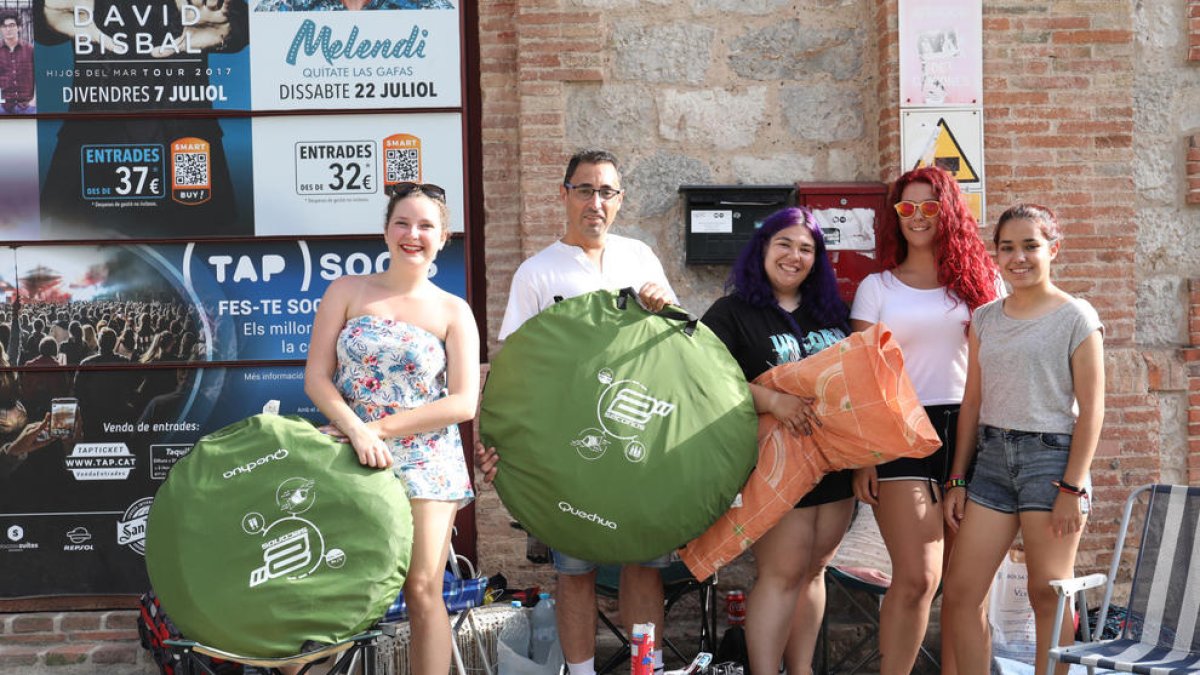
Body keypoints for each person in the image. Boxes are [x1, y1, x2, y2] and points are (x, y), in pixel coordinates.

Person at [476, 149, 675, 675]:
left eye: (606, 191)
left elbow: (678, 352)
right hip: (567, 449)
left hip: (636, 434)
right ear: (563, 195)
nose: (595, 201)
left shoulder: (641, 259)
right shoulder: (536, 272)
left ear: (620, 200)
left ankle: (644, 670)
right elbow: (515, 372)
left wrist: (665, 307)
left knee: (642, 564)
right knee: (575, 569)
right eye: (584, 189)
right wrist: (501, 445)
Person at [304, 182, 478, 675]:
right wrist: (357, 431)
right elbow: (317, 378)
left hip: (427, 462)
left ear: (443, 237)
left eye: (426, 226)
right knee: (332, 579)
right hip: (349, 451)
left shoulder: (453, 311)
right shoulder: (347, 291)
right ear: (385, 231)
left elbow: (464, 403)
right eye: (402, 222)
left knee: (422, 588)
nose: (412, 234)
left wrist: (378, 429)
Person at [848, 166, 999, 675]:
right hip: (899, 430)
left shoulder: (981, 283)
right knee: (917, 579)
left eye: (929, 207)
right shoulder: (877, 287)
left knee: (964, 587)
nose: (917, 217)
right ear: (896, 216)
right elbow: (861, 378)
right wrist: (863, 455)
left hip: (971, 431)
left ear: (949, 212)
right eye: (906, 208)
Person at [941, 204, 1103, 675]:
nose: (1019, 257)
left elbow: (1092, 411)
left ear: (1053, 250)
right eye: (1007, 247)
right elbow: (971, 404)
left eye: (1031, 245)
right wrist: (956, 479)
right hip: (991, 462)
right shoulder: (987, 319)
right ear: (995, 256)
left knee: (1046, 593)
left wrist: (1073, 489)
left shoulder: (1077, 317)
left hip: (1051, 465)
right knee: (961, 593)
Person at [700, 207, 853, 675]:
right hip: (775, 463)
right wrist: (770, 399)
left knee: (813, 572)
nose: (794, 256)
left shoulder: (831, 312)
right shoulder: (731, 312)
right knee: (782, 573)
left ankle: (801, 670)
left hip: (833, 462)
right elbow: (702, 379)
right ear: (763, 249)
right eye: (784, 244)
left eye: (806, 249)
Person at [0, 11, 35, 114]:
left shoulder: (30, 50)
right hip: (3, 106)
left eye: (11, 25)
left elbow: (39, 76)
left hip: (27, 105)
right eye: (4, 26)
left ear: (19, 27)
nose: (8, 29)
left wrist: (34, 101)